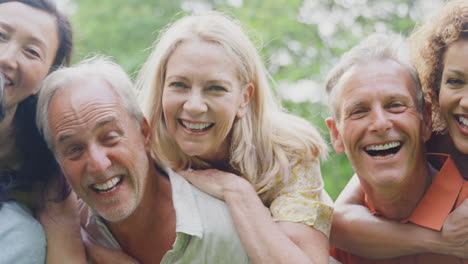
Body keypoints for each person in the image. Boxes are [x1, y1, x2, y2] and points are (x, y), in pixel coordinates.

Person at [137, 12, 332, 263]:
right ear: (161, 88)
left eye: (215, 88)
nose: (194, 105)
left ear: (244, 98)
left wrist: (237, 192)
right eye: (179, 85)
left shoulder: (289, 152)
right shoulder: (140, 147)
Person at [36, 56, 250, 264]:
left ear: (144, 133)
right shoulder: (62, 242)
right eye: (74, 149)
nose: (99, 165)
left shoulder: (228, 230)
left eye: (110, 138)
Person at [330, 0, 468, 260]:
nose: (380, 123)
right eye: (455, 81)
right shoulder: (428, 135)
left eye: (394, 105)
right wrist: (441, 241)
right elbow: (337, 221)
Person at [0, 0, 75, 263]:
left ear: (44, 80)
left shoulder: (46, 166)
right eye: (0, 35)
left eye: (31, 52)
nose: (6, 58)